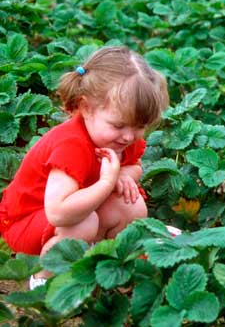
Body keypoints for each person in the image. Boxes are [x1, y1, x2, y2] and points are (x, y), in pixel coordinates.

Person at [0, 46, 169, 287]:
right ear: (85, 107)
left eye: (140, 126)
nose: (129, 136)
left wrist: (122, 173)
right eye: (118, 125)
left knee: (131, 205)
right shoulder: (71, 146)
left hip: (79, 209)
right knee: (83, 223)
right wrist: (107, 182)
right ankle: (43, 281)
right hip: (27, 221)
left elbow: (135, 166)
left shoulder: (122, 137)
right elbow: (58, 213)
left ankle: (103, 266)